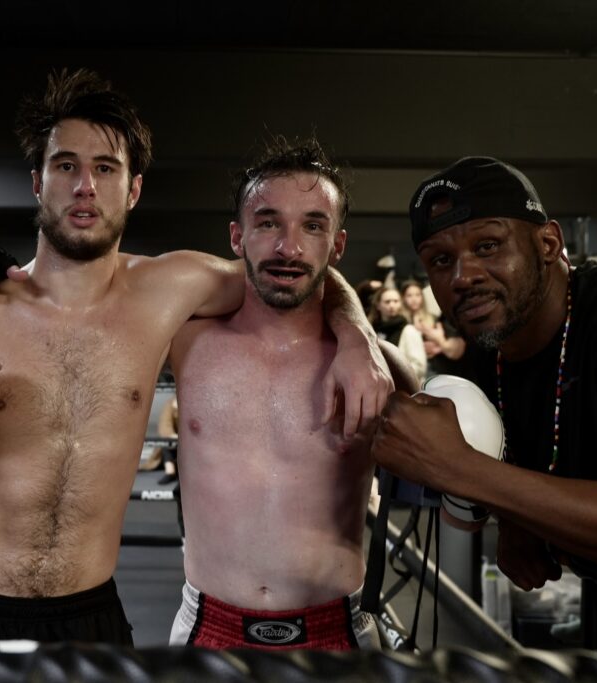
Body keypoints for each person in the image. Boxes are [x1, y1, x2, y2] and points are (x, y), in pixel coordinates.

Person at [0, 69, 392, 644]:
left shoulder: (169, 291)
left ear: (133, 190)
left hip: (92, 618)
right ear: (37, 183)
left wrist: (357, 337)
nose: (85, 186)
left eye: (105, 168)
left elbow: (293, 268)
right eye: (66, 166)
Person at [372, 156, 597, 648]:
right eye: (440, 260)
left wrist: (459, 469)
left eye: (487, 246)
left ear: (548, 243)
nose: (463, 276)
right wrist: (516, 520)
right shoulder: (490, 347)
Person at [166, 140, 416, 651]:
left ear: (337, 245)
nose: (289, 247)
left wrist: (357, 334)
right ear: (237, 236)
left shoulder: (380, 367)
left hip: (337, 629)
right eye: (268, 223)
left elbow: (456, 496)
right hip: (209, 627)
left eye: (313, 226)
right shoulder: (183, 343)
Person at [369, 286, 427, 386]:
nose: (392, 305)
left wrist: (391, 375)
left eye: (396, 301)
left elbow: (419, 367)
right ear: (378, 305)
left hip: (404, 388)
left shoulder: (408, 330)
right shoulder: (373, 330)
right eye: (387, 302)